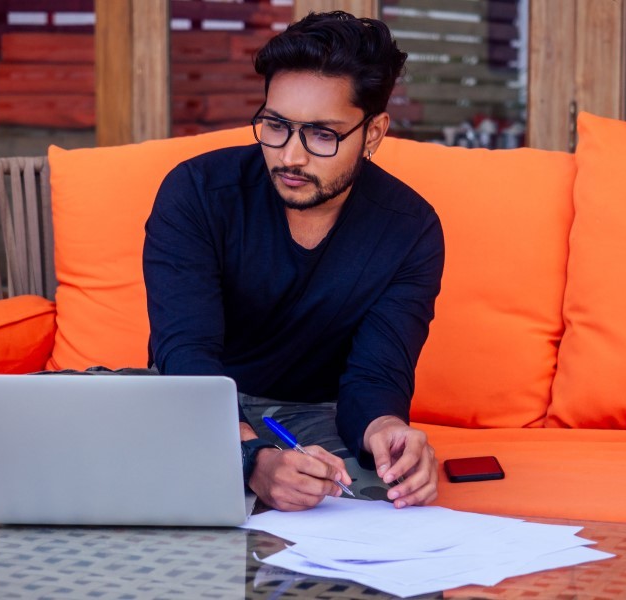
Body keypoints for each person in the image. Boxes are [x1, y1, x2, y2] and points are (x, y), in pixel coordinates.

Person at [143, 11, 444, 512]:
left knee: (376, 501)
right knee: (48, 429)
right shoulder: (196, 192)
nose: (290, 157)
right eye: (276, 125)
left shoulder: (409, 229)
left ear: (373, 133)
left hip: (310, 416)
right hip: (186, 397)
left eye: (322, 134)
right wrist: (246, 455)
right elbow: (185, 350)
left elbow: (374, 377)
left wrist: (388, 429)